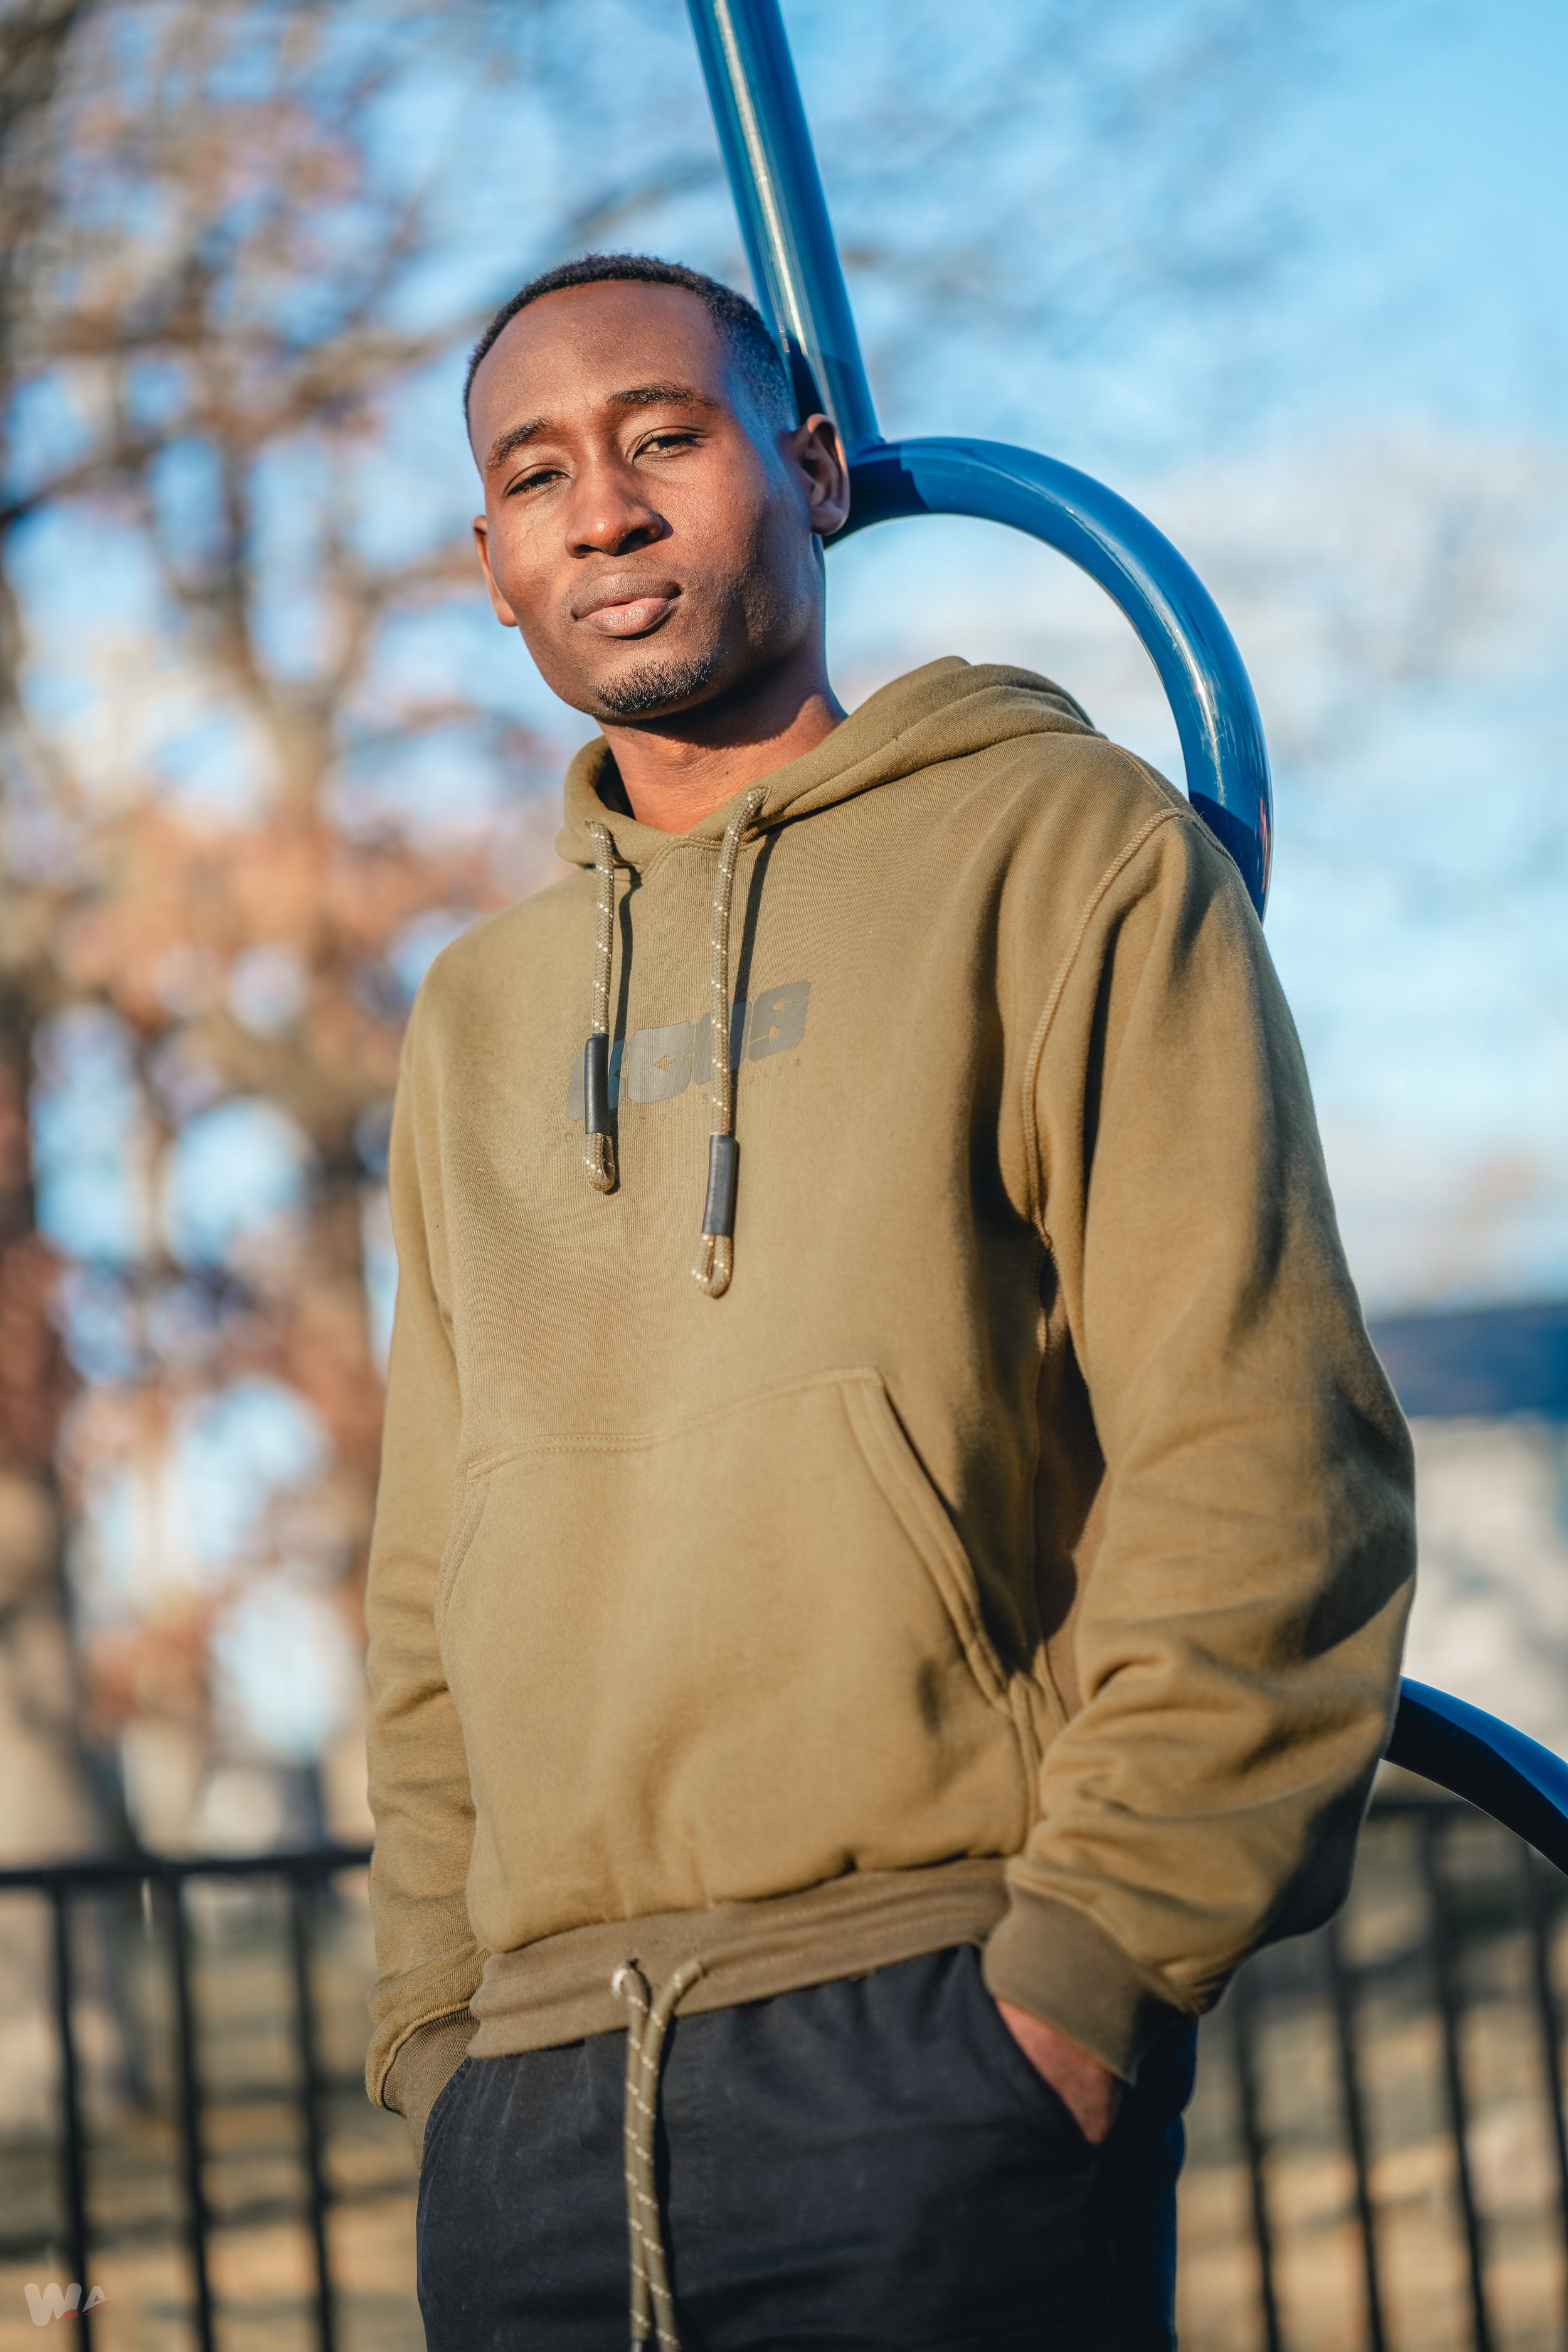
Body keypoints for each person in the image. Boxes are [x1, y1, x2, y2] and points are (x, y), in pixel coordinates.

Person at [364, 252, 1414, 2352]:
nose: (605, 512)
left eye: (665, 437)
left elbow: (1259, 1449)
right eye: (536, 475)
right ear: (489, 565)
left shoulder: (1061, 847)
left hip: (939, 2043)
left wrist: (1082, 1980)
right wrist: (438, 2029)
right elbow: (421, 1575)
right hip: (532, 2114)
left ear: (814, 473)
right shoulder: (473, 1014)